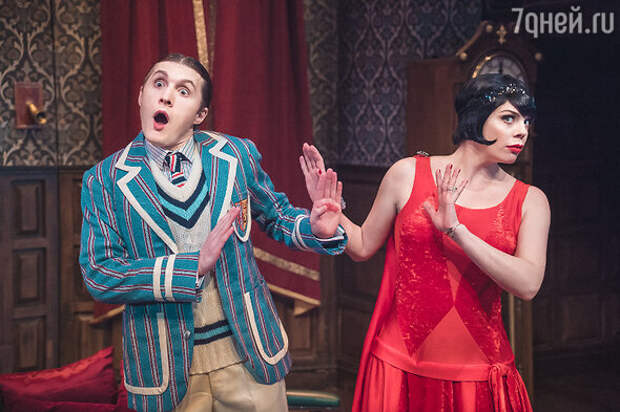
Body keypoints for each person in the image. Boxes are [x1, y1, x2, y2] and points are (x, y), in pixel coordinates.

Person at [80, 53, 346, 412]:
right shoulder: (104, 180)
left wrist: (315, 229)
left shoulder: (236, 154)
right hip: (165, 368)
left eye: (183, 91)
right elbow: (100, 273)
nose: (166, 96)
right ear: (142, 95)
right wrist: (190, 268)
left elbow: (277, 217)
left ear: (200, 114)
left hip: (248, 354)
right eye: (159, 84)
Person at [300, 73, 550, 412]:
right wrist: (334, 215)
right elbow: (361, 246)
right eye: (509, 118)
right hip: (398, 367)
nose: (522, 130)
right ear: (475, 116)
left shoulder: (530, 200)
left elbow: (528, 284)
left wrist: (457, 231)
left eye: (526, 121)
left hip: (476, 377)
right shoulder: (406, 174)